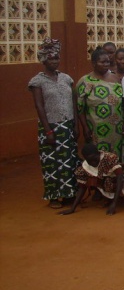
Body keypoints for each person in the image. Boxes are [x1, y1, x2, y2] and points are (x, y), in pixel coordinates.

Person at [28, 37, 78, 208]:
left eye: (56, 58)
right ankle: (54, 196)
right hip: (50, 126)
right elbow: (39, 106)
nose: (55, 61)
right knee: (51, 162)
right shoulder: (38, 81)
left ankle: (69, 194)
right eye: (51, 58)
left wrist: (76, 125)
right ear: (44, 60)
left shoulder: (66, 78)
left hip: (68, 125)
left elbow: (74, 102)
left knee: (69, 161)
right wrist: (48, 130)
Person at [77, 48, 124, 161]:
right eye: (102, 62)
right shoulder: (85, 81)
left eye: (107, 61)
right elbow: (80, 108)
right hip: (95, 129)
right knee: (98, 156)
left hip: (116, 129)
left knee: (115, 156)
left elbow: (122, 103)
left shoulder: (116, 79)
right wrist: (85, 127)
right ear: (93, 63)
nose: (106, 64)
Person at [60, 143, 124, 216]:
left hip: (120, 177)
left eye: (95, 159)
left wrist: (114, 204)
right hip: (105, 181)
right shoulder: (84, 168)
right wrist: (73, 208)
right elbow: (82, 188)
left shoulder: (109, 158)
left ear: (98, 154)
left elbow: (120, 178)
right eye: (89, 161)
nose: (93, 162)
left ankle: (120, 197)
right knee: (94, 180)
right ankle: (108, 198)